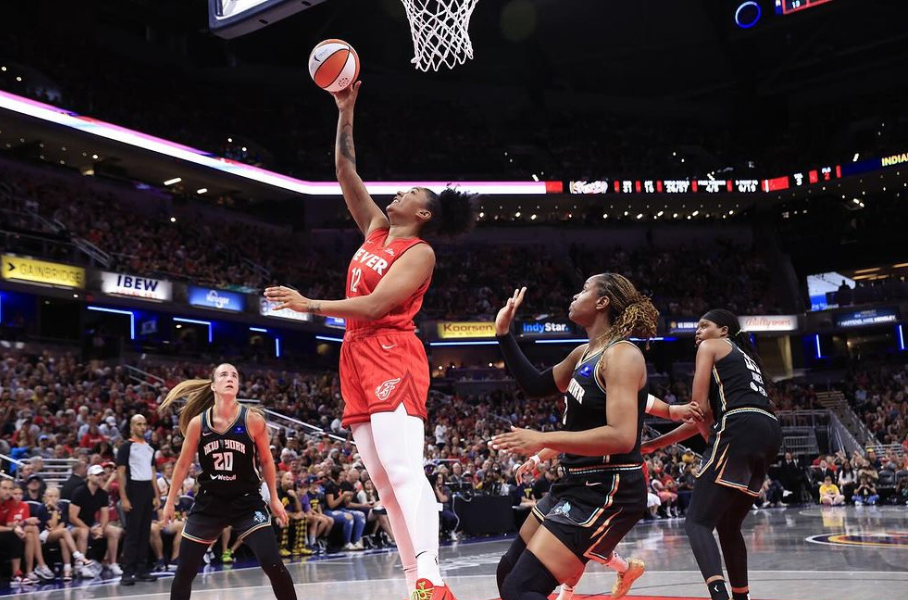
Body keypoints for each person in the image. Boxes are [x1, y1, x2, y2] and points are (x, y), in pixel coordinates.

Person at [263, 79, 476, 600]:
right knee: (383, 484)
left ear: (423, 215)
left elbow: (380, 306)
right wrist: (346, 108)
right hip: (355, 354)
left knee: (405, 471)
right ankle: (416, 586)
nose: (397, 193)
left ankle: (433, 576)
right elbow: (344, 170)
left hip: (391, 350)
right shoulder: (376, 229)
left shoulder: (420, 253)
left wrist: (310, 304)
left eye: (410, 194)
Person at [490, 280, 694, 600]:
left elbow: (622, 436)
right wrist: (503, 334)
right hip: (573, 483)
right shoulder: (582, 353)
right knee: (508, 573)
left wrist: (543, 439)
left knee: (522, 588)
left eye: (584, 289)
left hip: (609, 489)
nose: (574, 295)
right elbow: (535, 384)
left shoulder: (623, 354)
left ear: (602, 302)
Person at [641, 309, 782, 600]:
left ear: (724, 331)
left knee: (696, 522)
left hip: (740, 425)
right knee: (729, 525)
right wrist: (656, 445)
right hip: (769, 430)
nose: (698, 332)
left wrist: (709, 440)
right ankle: (741, 597)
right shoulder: (744, 359)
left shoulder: (710, 347)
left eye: (704, 326)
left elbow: (698, 409)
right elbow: (705, 418)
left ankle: (719, 596)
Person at [158, 363, 296, 600]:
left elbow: (266, 460)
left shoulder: (252, 420)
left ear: (238, 385)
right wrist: (170, 501)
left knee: (273, 564)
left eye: (234, 375)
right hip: (210, 504)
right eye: (223, 374)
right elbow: (182, 464)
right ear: (213, 386)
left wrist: (274, 498)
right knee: (185, 571)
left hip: (247, 502)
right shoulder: (198, 424)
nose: (230, 378)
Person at [116, 414, 161, 585]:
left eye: (144, 424)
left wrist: (156, 496)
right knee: (132, 534)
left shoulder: (150, 448)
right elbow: (120, 474)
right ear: (132, 427)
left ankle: (142, 570)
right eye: (139, 424)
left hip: (147, 491)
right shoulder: (126, 447)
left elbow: (152, 473)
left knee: (144, 532)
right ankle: (127, 572)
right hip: (133, 490)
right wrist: (124, 498)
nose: (143, 427)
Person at [70, 464, 124, 577]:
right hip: (73, 525)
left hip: (92, 523)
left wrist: (101, 528)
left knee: (114, 531)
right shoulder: (79, 492)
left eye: (101, 475)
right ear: (89, 476)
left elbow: (105, 515)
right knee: (83, 532)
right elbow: (72, 517)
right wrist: (89, 529)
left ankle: (112, 563)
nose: (100, 477)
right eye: (97, 475)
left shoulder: (102, 494)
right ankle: (81, 565)